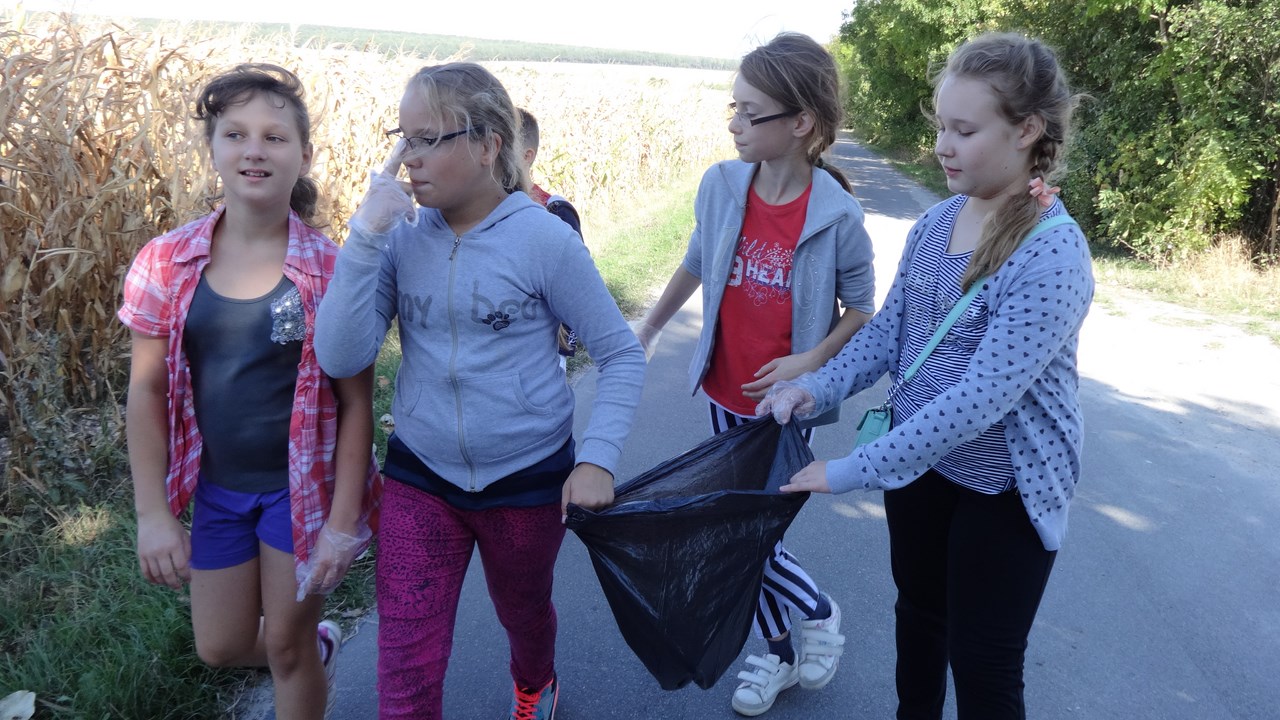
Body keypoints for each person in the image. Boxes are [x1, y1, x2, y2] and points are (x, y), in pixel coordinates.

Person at [759, 32, 1093, 720]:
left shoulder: (1052, 254)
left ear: (1027, 130)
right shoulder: (936, 223)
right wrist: (814, 386)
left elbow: (980, 399)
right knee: (918, 622)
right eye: (941, 126)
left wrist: (853, 468)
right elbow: (888, 333)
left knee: (983, 664)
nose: (943, 145)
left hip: (1004, 489)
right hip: (920, 469)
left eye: (964, 131)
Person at [313, 62, 645, 720]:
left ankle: (534, 683)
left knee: (523, 611)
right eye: (403, 139)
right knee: (405, 656)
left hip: (526, 478)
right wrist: (365, 237)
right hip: (420, 475)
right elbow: (341, 355)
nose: (408, 159)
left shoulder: (544, 240)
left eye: (427, 139)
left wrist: (597, 458)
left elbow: (620, 353)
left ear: (490, 144)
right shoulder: (400, 240)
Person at [118, 64, 381, 720]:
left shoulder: (332, 271)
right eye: (235, 134)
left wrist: (342, 524)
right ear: (211, 149)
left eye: (274, 137)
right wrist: (153, 514)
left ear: (304, 156)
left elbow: (356, 404)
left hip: (301, 493)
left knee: (286, 649)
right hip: (218, 490)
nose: (254, 150)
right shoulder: (165, 261)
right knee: (221, 645)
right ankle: (320, 647)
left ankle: (305, 653)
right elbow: (146, 391)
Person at [632, 32, 875, 717]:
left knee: (747, 533)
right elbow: (696, 259)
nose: (734, 123)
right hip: (724, 392)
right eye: (732, 108)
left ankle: (817, 614)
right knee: (745, 531)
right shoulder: (720, 185)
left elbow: (862, 308)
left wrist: (809, 361)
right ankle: (780, 651)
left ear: (800, 123)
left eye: (749, 111)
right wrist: (649, 327)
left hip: (786, 406)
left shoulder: (838, 215)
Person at [517, 107, 585, 360]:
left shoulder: (554, 210)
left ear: (527, 156)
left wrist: (564, 347)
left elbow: (574, 289)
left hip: (545, 354)